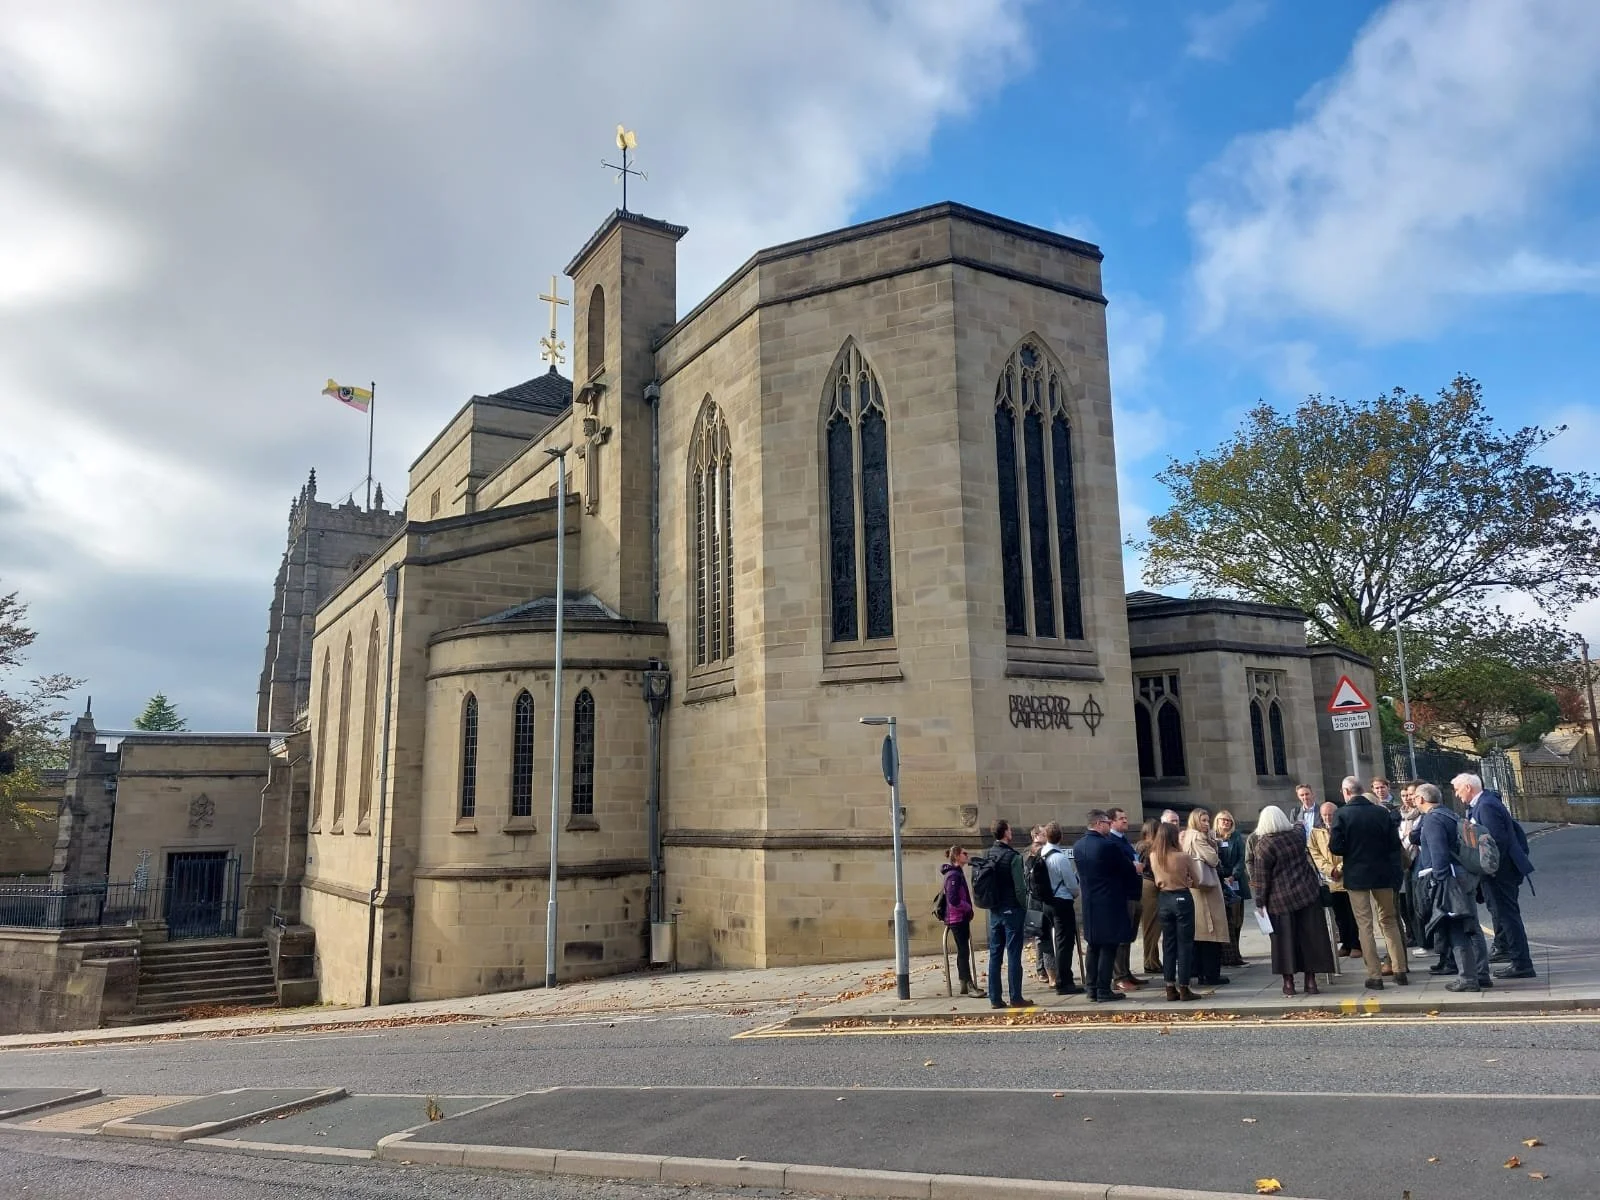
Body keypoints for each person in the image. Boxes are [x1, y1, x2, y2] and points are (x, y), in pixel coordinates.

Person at [1454, 773, 1536, 980]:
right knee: (1503, 915)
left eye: (1457, 789)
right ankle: (1512, 955)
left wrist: (1485, 867)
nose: (1456, 794)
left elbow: (1495, 841)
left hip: (1500, 871)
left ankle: (1522, 964)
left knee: (1508, 916)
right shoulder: (1482, 804)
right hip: (1499, 871)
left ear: (1468, 787)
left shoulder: (1486, 805)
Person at [1328, 777, 1408, 988]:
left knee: (1365, 925)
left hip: (1357, 875)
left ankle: (1375, 976)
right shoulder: (1382, 812)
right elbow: (1393, 844)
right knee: (1389, 921)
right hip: (1383, 874)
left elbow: (1335, 847)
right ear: (1363, 790)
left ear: (1346, 792)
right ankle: (1400, 970)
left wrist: (1351, 848)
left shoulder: (1342, 814)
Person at [1250, 805, 1336, 996]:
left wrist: (1259, 903)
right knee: (1310, 939)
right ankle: (1311, 982)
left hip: (1279, 900)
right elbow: (1299, 825)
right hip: (1307, 894)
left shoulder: (1264, 846)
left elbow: (1262, 879)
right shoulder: (1296, 836)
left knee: (1284, 943)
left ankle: (1289, 984)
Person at [1413, 783, 1490, 992]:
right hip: (1464, 876)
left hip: (1450, 881)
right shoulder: (1450, 814)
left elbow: (1438, 854)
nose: (1413, 801)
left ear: (1421, 799)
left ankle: (1468, 979)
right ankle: (1481, 974)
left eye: (1415, 798)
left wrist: (1438, 883)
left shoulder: (1432, 819)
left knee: (1457, 928)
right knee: (1471, 926)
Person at [1074, 809, 1141, 1003]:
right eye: (1106, 822)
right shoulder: (1108, 846)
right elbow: (1126, 869)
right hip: (1109, 903)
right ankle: (1103, 989)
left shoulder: (1079, 846)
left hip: (1090, 904)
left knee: (1094, 947)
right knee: (1109, 947)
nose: (1109, 826)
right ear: (1097, 824)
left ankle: (1091, 988)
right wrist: (1134, 867)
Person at [1146, 821, 1200, 1001]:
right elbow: (1197, 880)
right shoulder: (1183, 857)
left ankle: (1169, 987)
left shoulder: (1153, 856)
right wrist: (1188, 882)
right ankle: (1184, 987)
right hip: (1182, 898)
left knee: (1168, 944)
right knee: (1184, 944)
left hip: (1163, 899)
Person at [1180, 808, 1230, 986]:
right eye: (1203, 820)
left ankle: (1201, 972)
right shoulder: (1198, 838)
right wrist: (1213, 844)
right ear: (1195, 821)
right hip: (1205, 889)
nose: (1207, 824)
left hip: (1197, 888)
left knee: (1201, 934)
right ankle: (1210, 974)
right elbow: (1213, 859)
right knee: (1210, 932)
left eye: (1208, 820)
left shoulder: (1187, 837)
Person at [983, 819, 1029, 1009]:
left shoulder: (987, 854)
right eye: (1010, 829)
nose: (1012, 832)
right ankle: (1016, 997)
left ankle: (995, 998)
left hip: (995, 910)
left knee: (995, 954)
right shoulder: (1013, 857)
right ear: (1005, 833)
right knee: (1013, 954)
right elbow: (1020, 888)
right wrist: (1023, 906)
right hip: (1012, 909)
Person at [1309, 800, 1361, 957]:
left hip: (1347, 876)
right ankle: (1345, 943)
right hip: (1330, 879)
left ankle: (1356, 944)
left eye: (1330, 815)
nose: (1327, 818)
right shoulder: (1315, 831)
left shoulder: (1345, 828)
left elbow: (1353, 849)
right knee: (1339, 915)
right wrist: (1329, 869)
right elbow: (1314, 852)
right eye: (1324, 815)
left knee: (1352, 913)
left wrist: (1339, 868)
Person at [1041, 822, 1084, 995]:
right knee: (1065, 943)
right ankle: (1064, 982)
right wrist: (1075, 893)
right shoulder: (1060, 858)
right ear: (1061, 836)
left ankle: (1059, 978)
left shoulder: (1042, 853)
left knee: (1055, 941)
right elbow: (1072, 885)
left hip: (1046, 902)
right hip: (1062, 902)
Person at [1108, 807, 1146, 992]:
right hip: (1123, 895)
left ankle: (1126, 971)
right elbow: (1117, 867)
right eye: (1121, 818)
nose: (1125, 820)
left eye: (1125, 817)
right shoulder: (1111, 841)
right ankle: (1119, 976)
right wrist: (1133, 867)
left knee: (1129, 936)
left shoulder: (1123, 840)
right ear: (1111, 821)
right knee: (1121, 937)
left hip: (1134, 892)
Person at [1214, 809, 1250, 968]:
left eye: (1229, 820)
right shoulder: (1212, 837)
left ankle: (1236, 951)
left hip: (1235, 882)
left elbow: (1242, 859)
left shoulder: (1237, 837)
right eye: (1223, 820)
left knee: (1237, 919)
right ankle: (1225, 953)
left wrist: (1233, 876)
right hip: (1219, 882)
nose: (1226, 823)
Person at [940, 846, 978, 996]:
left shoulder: (957, 873)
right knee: (963, 951)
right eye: (964, 853)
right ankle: (968, 984)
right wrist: (967, 907)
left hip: (960, 917)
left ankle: (964, 983)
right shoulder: (953, 875)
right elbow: (953, 899)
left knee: (963, 950)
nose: (966, 855)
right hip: (957, 918)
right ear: (956, 856)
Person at [1025, 825, 1055, 988]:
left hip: (1040, 900)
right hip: (1036, 901)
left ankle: (1046, 969)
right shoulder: (1032, 854)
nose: (1047, 836)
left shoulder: (1044, 852)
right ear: (1036, 836)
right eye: (1044, 833)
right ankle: (1042, 969)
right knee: (1040, 936)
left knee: (1043, 935)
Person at [1136, 818, 1164, 977]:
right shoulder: (1145, 847)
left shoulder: (1146, 846)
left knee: (1155, 926)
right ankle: (1150, 962)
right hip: (1149, 886)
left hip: (1152, 885)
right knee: (1151, 926)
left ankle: (1153, 960)